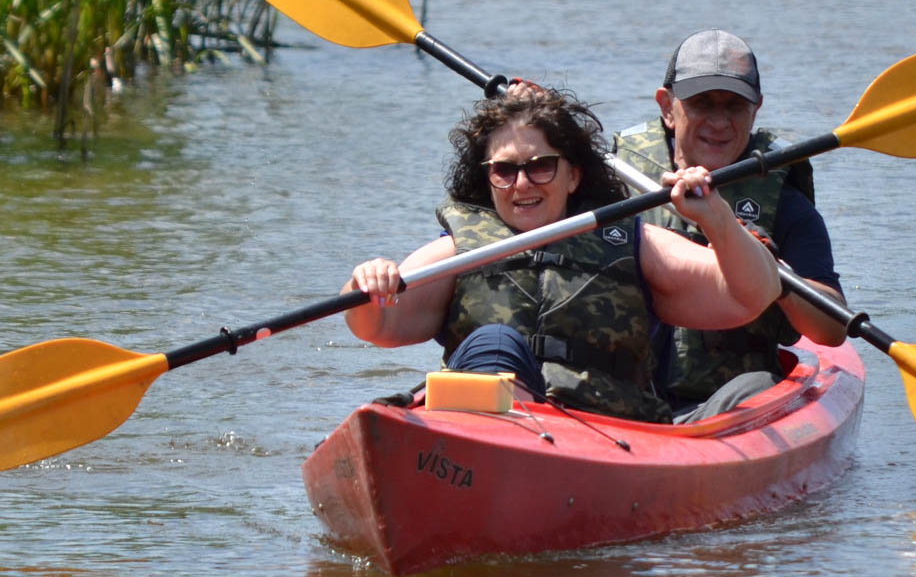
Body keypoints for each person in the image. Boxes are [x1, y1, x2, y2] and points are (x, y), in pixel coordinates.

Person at [343, 85, 780, 423]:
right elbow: (377, 325)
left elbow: (752, 296)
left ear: (573, 176)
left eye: (541, 166)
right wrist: (366, 284)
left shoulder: (634, 244)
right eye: (504, 170)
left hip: (607, 430)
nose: (522, 184)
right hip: (483, 423)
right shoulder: (459, 251)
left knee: (757, 384)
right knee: (494, 344)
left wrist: (716, 218)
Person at [613, 29, 849, 421]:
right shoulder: (613, 178)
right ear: (667, 107)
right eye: (702, 103)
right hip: (614, 399)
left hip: (721, 405)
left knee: (757, 384)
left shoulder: (783, 202)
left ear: (756, 110)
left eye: (735, 105)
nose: (719, 122)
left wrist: (765, 267)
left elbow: (832, 329)